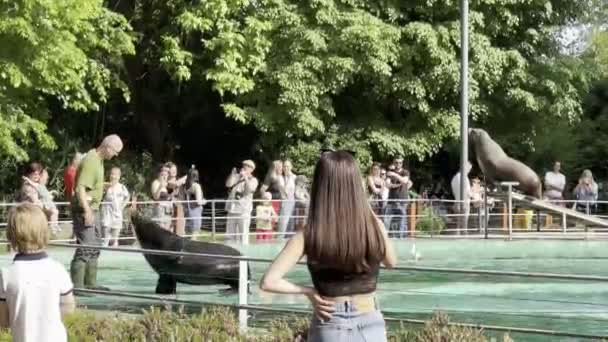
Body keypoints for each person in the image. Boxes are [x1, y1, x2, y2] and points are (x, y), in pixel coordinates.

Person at [260, 150, 397, 342]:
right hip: (370, 321)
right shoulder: (375, 227)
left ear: (320, 185)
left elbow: (269, 282)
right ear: (356, 184)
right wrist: (367, 210)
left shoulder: (308, 233)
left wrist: (308, 291)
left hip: (329, 321)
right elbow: (391, 262)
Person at [0, 203, 75, 342]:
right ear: (44, 231)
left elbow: (4, 322)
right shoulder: (57, 269)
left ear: (11, 235)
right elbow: (69, 307)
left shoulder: (6, 275)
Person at [69, 134, 123, 293]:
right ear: (107, 146)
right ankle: (77, 286)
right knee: (86, 246)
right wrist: (86, 211)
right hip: (86, 208)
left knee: (95, 245)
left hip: (94, 207)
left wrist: (103, 186)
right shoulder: (91, 161)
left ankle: (90, 284)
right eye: (115, 151)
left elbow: (90, 184)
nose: (115, 155)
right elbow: (80, 188)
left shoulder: (98, 161)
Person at [225, 160, 259, 242]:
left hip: (243, 211)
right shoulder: (237, 177)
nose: (244, 167)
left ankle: (244, 253)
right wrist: (232, 175)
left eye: (247, 166)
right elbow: (228, 184)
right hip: (232, 210)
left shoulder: (253, 180)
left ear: (252, 169)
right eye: (244, 165)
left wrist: (246, 178)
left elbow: (250, 189)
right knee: (230, 236)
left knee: (243, 235)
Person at [22, 168, 61, 235]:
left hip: (48, 203)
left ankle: (55, 225)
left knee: (56, 212)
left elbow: (45, 193)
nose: (46, 179)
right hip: (44, 204)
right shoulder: (37, 185)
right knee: (54, 211)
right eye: (45, 177)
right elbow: (32, 184)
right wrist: (27, 179)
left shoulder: (43, 186)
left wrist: (51, 193)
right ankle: (53, 226)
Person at [101, 167, 130, 247]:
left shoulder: (122, 187)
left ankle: (114, 243)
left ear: (119, 176)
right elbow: (100, 192)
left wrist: (123, 206)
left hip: (117, 211)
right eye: (112, 174)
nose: (113, 176)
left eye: (115, 174)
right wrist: (107, 187)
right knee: (106, 226)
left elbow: (127, 197)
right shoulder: (106, 186)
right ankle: (105, 243)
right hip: (107, 210)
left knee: (115, 230)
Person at [383, 157, 412, 238]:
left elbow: (405, 181)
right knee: (387, 220)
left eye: (400, 163)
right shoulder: (390, 172)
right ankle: (385, 237)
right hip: (391, 200)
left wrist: (395, 175)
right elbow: (387, 184)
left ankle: (402, 238)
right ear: (394, 163)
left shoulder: (405, 172)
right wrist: (397, 185)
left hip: (402, 200)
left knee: (402, 221)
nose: (398, 164)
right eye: (396, 162)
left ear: (402, 163)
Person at [183, 166, 206, 238]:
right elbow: (198, 201)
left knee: (187, 232)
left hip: (187, 210)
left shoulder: (184, 186)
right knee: (194, 233)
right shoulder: (196, 186)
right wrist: (204, 201)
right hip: (195, 211)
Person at [451, 161, 473, 235]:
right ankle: (464, 240)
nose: (469, 171)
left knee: (458, 226)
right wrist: (476, 195)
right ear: (465, 168)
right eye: (469, 169)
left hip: (456, 203)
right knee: (464, 227)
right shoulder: (464, 178)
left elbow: (454, 192)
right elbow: (468, 192)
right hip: (465, 204)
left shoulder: (454, 178)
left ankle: (457, 240)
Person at [278, 160, 297, 237]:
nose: (286, 168)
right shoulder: (280, 177)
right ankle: (280, 240)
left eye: (288, 166)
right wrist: (289, 177)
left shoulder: (295, 177)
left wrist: (291, 176)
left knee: (291, 223)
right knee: (283, 223)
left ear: (291, 167)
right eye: (284, 166)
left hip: (293, 202)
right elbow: (283, 189)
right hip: (284, 202)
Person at [151, 165, 173, 230]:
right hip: (160, 210)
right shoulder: (155, 183)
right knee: (160, 229)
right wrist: (160, 186)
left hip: (168, 210)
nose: (165, 175)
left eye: (167, 173)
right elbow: (155, 197)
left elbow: (168, 197)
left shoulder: (167, 185)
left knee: (167, 229)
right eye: (163, 173)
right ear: (159, 173)